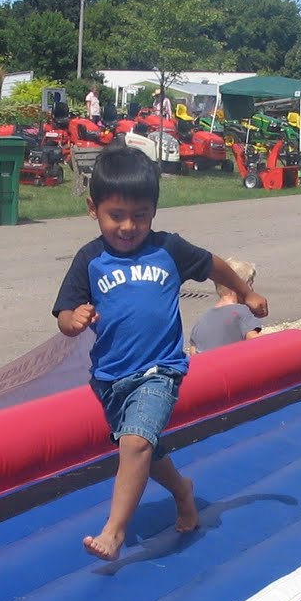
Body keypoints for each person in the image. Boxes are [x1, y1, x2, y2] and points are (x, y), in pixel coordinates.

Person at [54, 145, 268, 560]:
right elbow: (64, 311)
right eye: (116, 215)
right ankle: (184, 492)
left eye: (141, 215)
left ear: (154, 211)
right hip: (111, 378)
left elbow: (213, 266)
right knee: (147, 450)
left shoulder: (167, 249)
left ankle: (115, 531)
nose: (129, 226)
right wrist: (73, 319)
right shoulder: (90, 259)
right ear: (92, 209)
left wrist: (246, 292)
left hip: (160, 371)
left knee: (135, 443)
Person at [190, 258, 265, 353]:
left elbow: (193, 352)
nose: (252, 290)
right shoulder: (242, 312)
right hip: (235, 365)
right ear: (239, 287)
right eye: (250, 285)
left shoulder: (202, 320)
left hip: (210, 366)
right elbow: (255, 340)